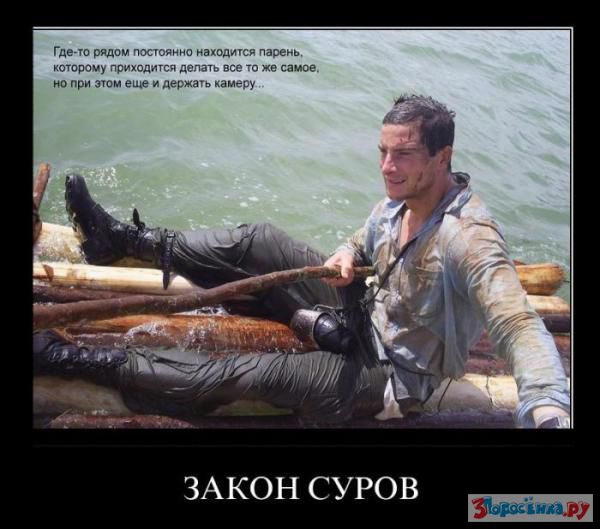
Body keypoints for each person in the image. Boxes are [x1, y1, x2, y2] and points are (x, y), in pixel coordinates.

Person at [33, 94, 570, 428]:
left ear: (442, 157)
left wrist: (547, 406)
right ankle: (124, 241)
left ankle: (71, 359)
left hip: (393, 374)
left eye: (402, 154)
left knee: (249, 371)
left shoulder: (469, 238)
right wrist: (346, 253)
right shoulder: (403, 198)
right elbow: (365, 239)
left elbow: (516, 320)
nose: (387, 166)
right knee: (260, 238)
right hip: (363, 313)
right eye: (383, 151)